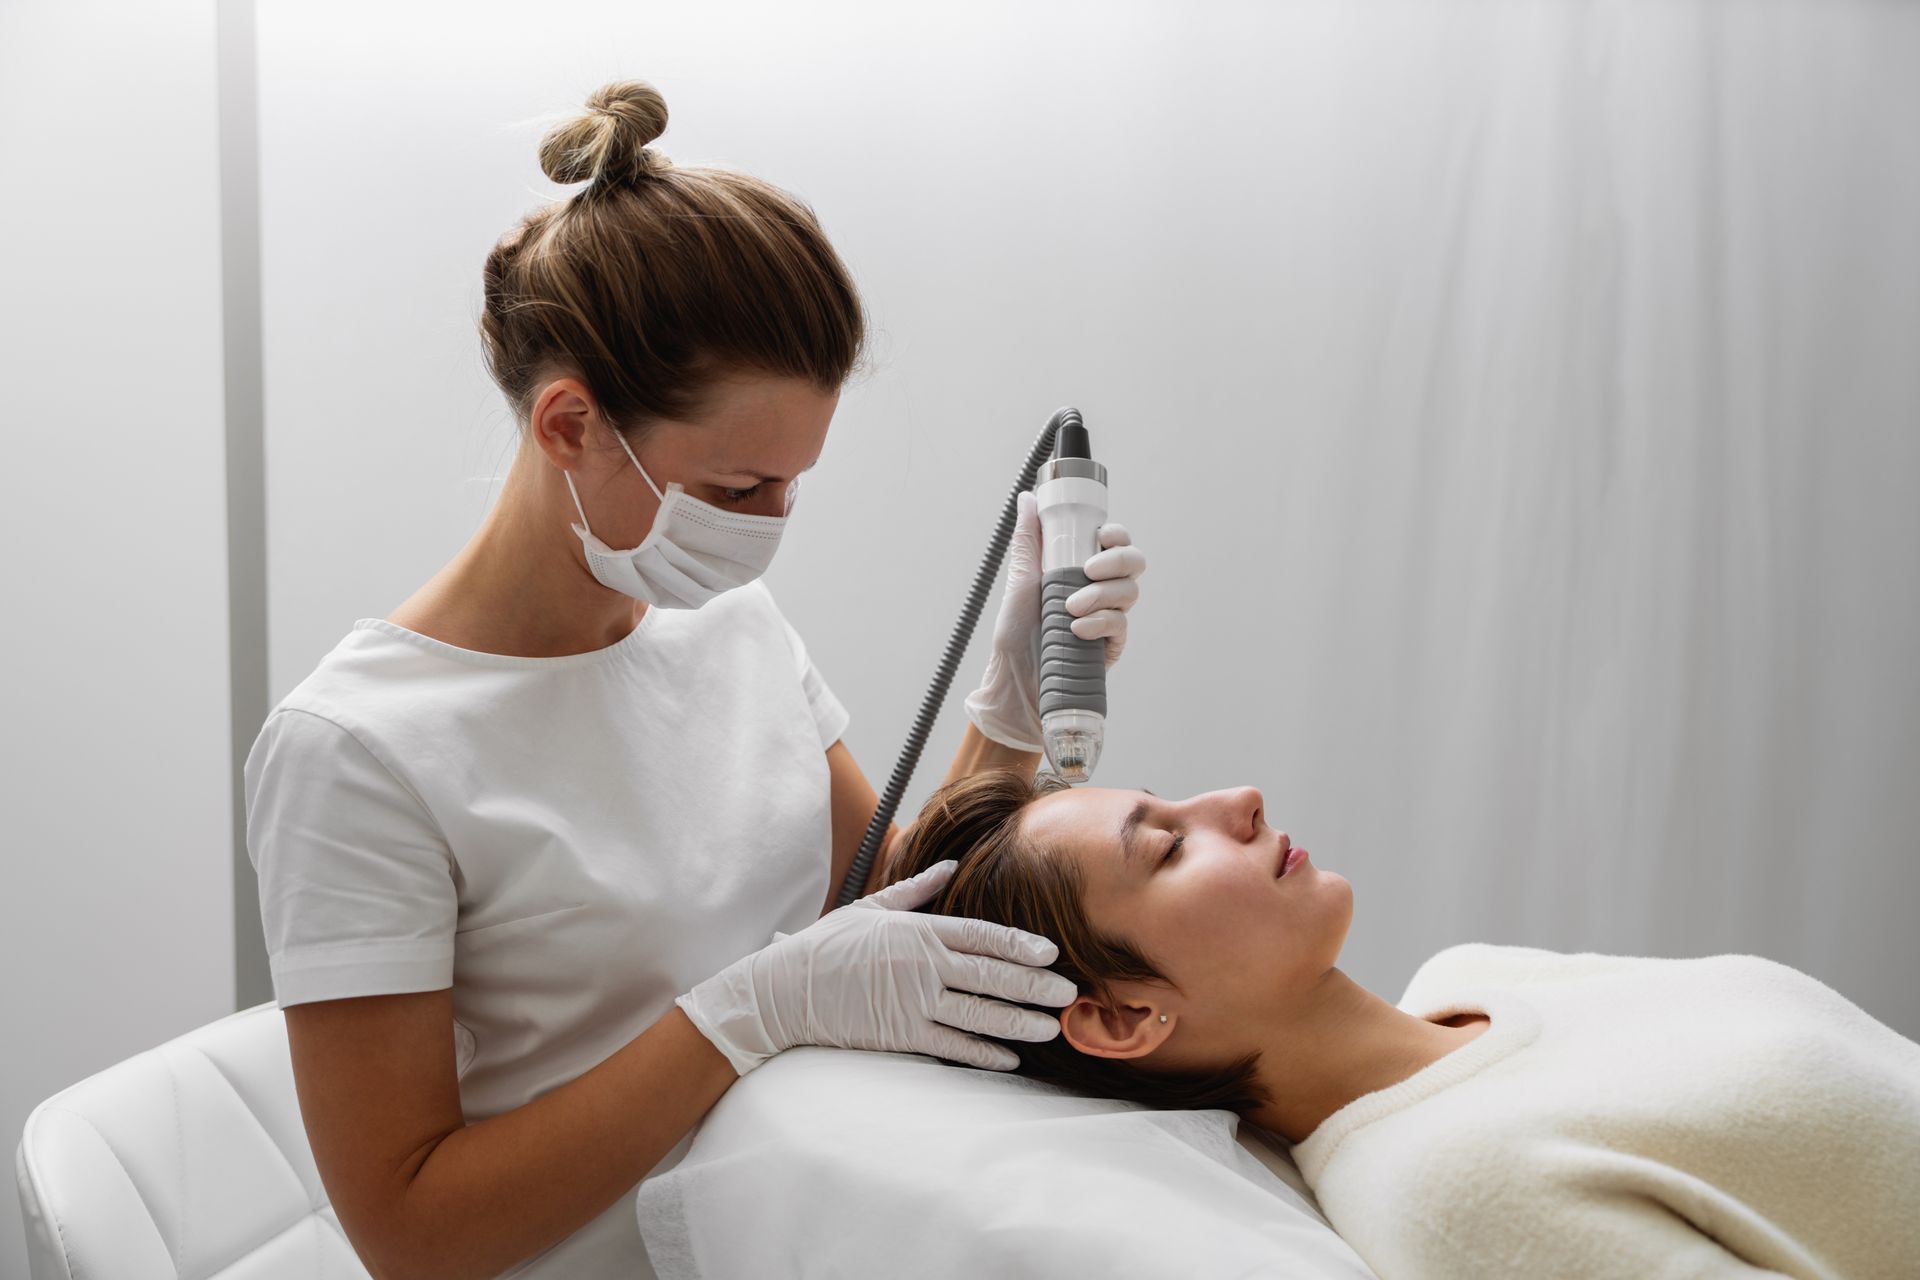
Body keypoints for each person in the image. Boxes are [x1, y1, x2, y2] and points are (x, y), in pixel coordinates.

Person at [242, 79, 1148, 1280]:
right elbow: (414, 1233)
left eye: (791, 483)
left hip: (811, 1222)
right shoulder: (357, 752)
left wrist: (1009, 718)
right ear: (569, 423)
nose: (771, 526)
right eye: (736, 489)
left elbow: (890, 910)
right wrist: (740, 1018)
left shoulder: (727, 624)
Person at [880, 769, 1920, 1279]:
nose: (1236, 798)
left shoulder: (1484, 972)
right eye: (1166, 846)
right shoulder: (1454, 1191)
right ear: (1119, 1016)